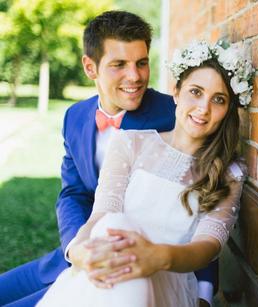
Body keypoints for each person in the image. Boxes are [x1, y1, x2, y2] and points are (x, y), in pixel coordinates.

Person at [0, 11, 218, 307]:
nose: (135, 76)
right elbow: (73, 193)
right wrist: (77, 250)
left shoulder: (180, 116)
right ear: (90, 67)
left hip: (131, 274)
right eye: (119, 65)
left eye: (141, 63)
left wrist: (203, 293)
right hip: (75, 254)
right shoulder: (75, 117)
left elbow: (204, 203)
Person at [37, 39, 255, 306]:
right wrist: (81, 252)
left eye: (218, 100)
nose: (203, 108)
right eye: (195, 92)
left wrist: (155, 257)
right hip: (109, 262)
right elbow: (100, 215)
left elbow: (208, 247)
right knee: (115, 227)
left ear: (227, 110)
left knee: (125, 262)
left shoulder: (228, 172)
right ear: (176, 92)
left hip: (168, 277)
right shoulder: (130, 142)